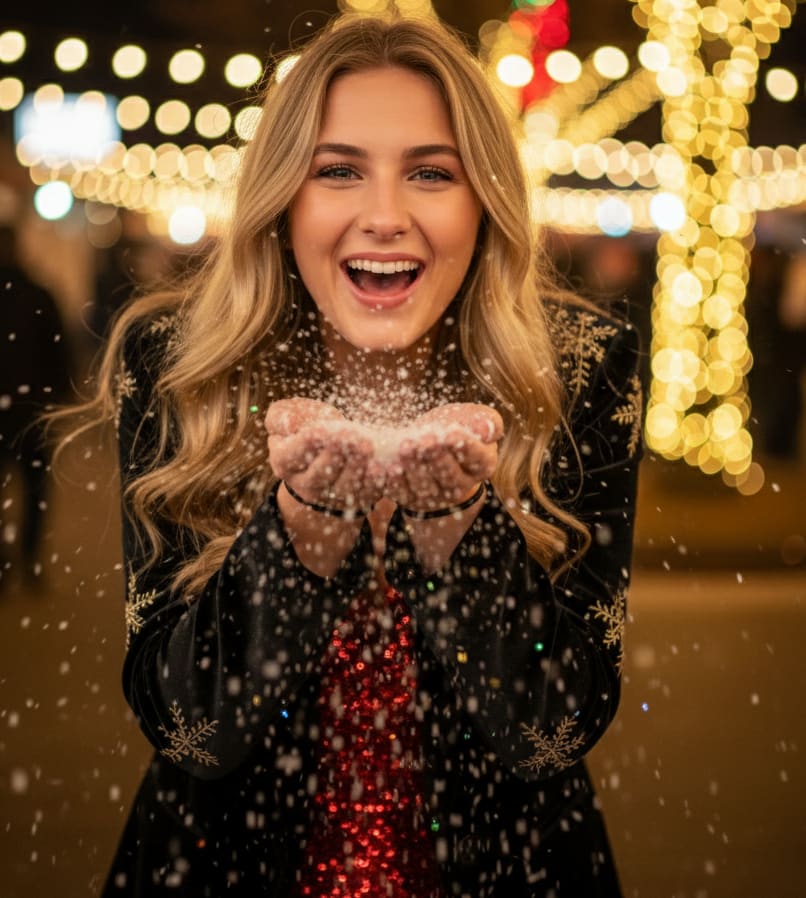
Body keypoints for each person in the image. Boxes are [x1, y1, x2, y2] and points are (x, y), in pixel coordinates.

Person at [64, 13, 643, 897]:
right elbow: (187, 730)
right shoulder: (184, 364)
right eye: (338, 170)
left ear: (484, 198)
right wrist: (297, 544)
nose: (384, 216)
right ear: (284, 196)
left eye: (430, 173)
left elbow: (552, 732)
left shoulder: (574, 372)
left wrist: (458, 534)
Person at [0, 223, 72, 589]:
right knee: (34, 492)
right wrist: (56, 400)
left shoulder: (37, 295)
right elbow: (60, 353)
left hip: (15, 413)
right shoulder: (38, 295)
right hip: (32, 412)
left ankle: (7, 564)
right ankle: (29, 561)